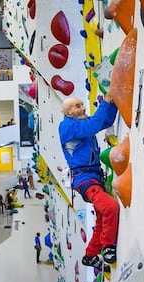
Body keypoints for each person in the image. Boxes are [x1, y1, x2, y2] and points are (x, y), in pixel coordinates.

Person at [58, 93, 120, 269]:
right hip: (85, 179)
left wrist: (114, 103)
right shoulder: (68, 127)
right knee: (110, 207)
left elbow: (104, 122)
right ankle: (108, 247)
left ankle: (91, 254)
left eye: (82, 105)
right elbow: (93, 126)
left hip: (92, 176)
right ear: (69, 112)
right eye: (78, 106)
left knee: (102, 216)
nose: (83, 108)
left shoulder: (78, 124)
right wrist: (105, 102)